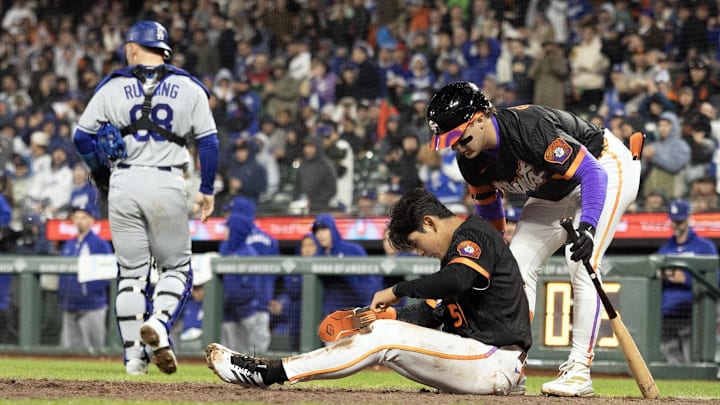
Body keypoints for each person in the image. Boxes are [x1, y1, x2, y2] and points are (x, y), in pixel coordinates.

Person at [425, 81, 641, 397]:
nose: (457, 146)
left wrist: (589, 228)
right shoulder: (470, 161)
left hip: (605, 165)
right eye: (451, 142)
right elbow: (490, 217)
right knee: (514, 266)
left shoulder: (529, 129)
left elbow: (592, 174)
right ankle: (511, 367)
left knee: (581, 262)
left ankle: (579, 370)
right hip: (553, 190)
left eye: (460, 137)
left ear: (481, 117)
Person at [206, 187, 531, 395]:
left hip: (495, 360)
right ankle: (272, 369)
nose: (419, 252)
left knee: (386, 337)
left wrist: (396, 290)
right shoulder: (454, 253)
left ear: (429, 223)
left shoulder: (474, 233)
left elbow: (457, 280)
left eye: (416, 243)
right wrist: (385, 314)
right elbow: (433, 312)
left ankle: (269, 372)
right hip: (481, 360)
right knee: (383, 329)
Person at [73, 20, 219, 375]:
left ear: (134, 47)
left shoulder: (114, 86)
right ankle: (159, 321)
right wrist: (206, 189)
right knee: (177, 269)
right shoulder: (188, 87)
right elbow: (209, 142)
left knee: (131, 275)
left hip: (123, 183)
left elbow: (82, 138)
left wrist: (103, 173)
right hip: (167, 183)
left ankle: (134, 361)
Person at [657, 199, 718, 364]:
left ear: (688, 219)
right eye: (674, 220)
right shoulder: (665, 248)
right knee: (671, 364)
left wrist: (686, 278)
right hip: (667, 314)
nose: (676, 225)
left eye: (680, 220)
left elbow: (715, 281)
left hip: (693, 313)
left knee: (692, 362)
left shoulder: (705, 247)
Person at [57, 203, 113, 353]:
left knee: (95, 350)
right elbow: (62, 271)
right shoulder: (69, 243)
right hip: (69, 304)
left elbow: (108, 274)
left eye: (83, 217)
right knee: (69, 351)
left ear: (91, 220)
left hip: (92, 305)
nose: (79, 221)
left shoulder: (100, 243)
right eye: (77, 217)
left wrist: (90, 291)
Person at [311, 213, 383, 317]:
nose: (320, 234)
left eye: (324, 229)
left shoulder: (353, 250)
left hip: (355, 311)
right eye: (317, 231)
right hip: (329, 315)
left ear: (332, 230)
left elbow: (369, 286)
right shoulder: (317, 256)